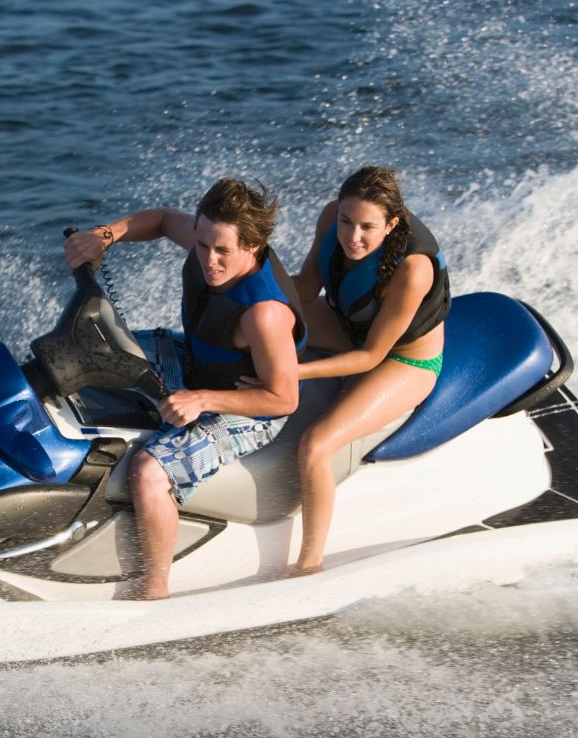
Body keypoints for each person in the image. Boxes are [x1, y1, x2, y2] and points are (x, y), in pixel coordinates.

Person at [64, 178, 305, 599]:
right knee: (89, 346)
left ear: (252, 246)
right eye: (202, 245)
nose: (209, 261)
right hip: (198, 362)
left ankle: (153, 589)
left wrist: (203, 399)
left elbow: (284, 399)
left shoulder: (265, 315)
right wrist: (103, 236)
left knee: (148, 473)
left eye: (222, 251)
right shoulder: (205, 237)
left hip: (247, 406)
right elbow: (158, 219)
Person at [287, 165, 450, 577]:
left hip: (403, 359)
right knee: (262, 327)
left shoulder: (413, 269)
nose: (351, 236)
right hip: (350, 325)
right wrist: (243, 289)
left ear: (391, 224)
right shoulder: (330, 218)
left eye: (366, 227)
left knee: (316, 444)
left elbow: (372, 356)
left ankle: (309, 564)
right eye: (345, 221)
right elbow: (305, 289)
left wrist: (293, 373)